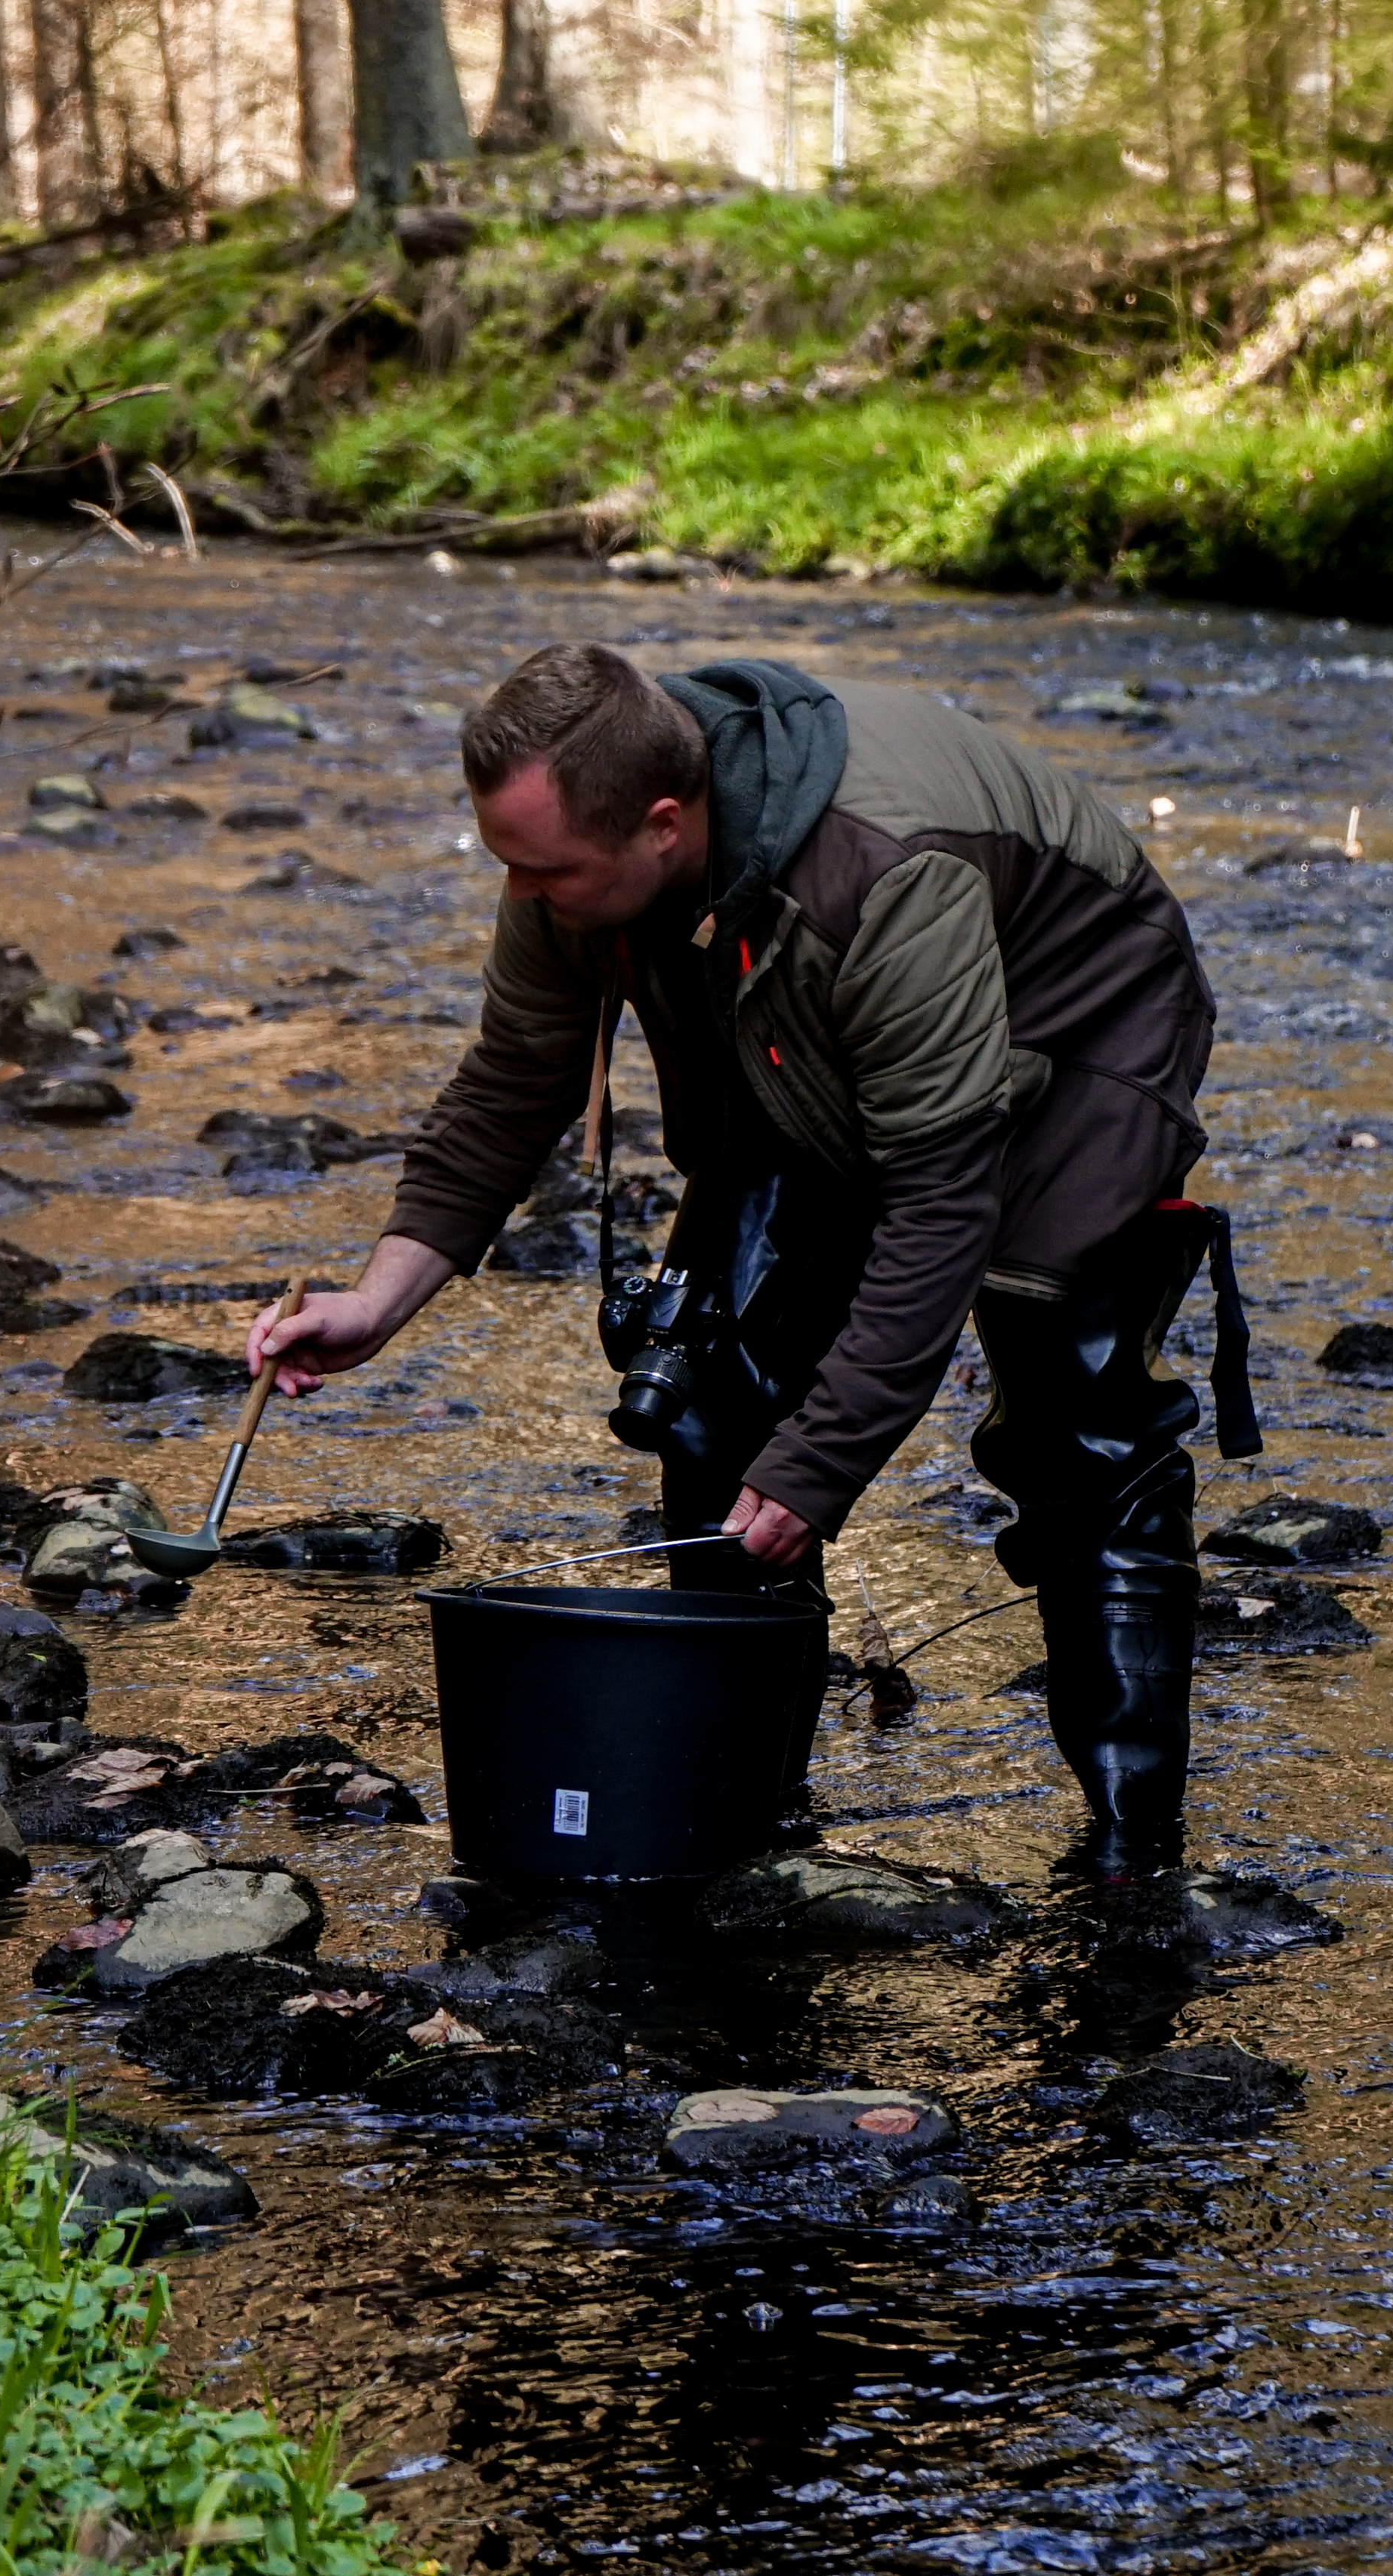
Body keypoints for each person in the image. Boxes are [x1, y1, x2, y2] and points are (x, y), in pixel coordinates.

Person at [250, 644, 1252, 1883]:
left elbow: (938, 1205)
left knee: (1077, 1427)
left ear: (663, 827)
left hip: (1073, 1035)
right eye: (505, 860)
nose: (518, 892)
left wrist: (823, 1462)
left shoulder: (886, 874)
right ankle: (746, 1823)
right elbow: (512, 1084)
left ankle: (1130, 1854)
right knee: (709, 1401)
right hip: (810, 1048)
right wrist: (378, 1298)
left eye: (542, 869)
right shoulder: (577, 869)